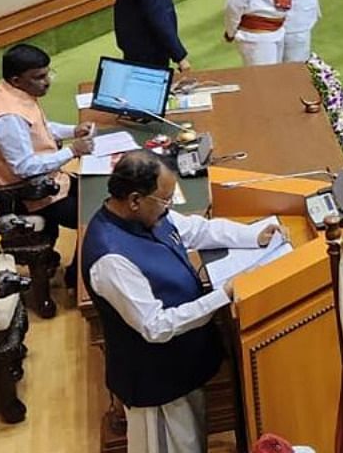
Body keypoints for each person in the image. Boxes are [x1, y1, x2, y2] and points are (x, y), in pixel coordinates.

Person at [82, 151, 285, 453]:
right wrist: (222, 295)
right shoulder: (110, 257)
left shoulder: (150, 214)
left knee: (193, 440)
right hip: (156, 383)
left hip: (182, 365)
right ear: (135, 200)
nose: (170, 206)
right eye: (164, 199)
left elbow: (197, 230)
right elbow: (156, 326)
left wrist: (253, 235)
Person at [0, 44, 94, 284]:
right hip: (31, 195)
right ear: (17, 79)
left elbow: (39, 129)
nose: (47, 82)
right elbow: (24, 167)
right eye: (39, 77)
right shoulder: (8, 117)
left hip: (52, 180)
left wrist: (72, 131)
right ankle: (76, 280)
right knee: (94, 216)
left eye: (48, 74)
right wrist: (72, 150)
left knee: (101, 191)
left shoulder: (16, 94)